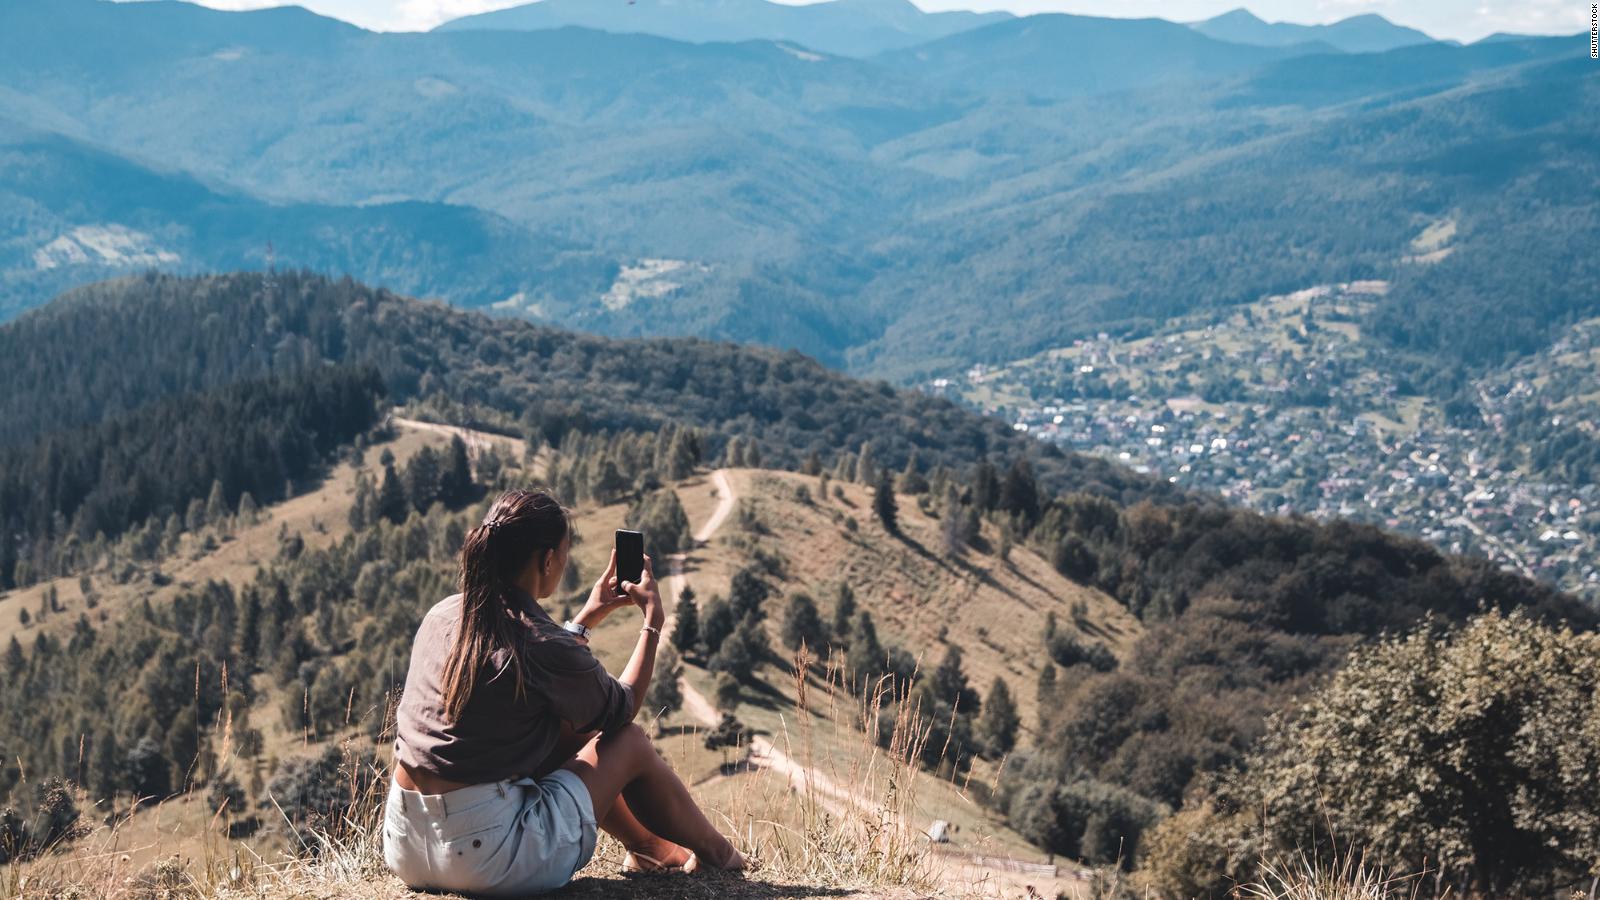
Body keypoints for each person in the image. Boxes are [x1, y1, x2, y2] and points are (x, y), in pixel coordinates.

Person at [383, 488, 745, 895]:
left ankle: (649, 848)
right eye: (564, 552)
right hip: (486, 858)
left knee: (562, 728)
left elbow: (540, 670)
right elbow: (621, 709)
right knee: (628, 742)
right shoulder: (540, 644)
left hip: (405, 844)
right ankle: (719, 855)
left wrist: (587, 616)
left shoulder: (445, 613)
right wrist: (652, 623)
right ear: (548, 560)